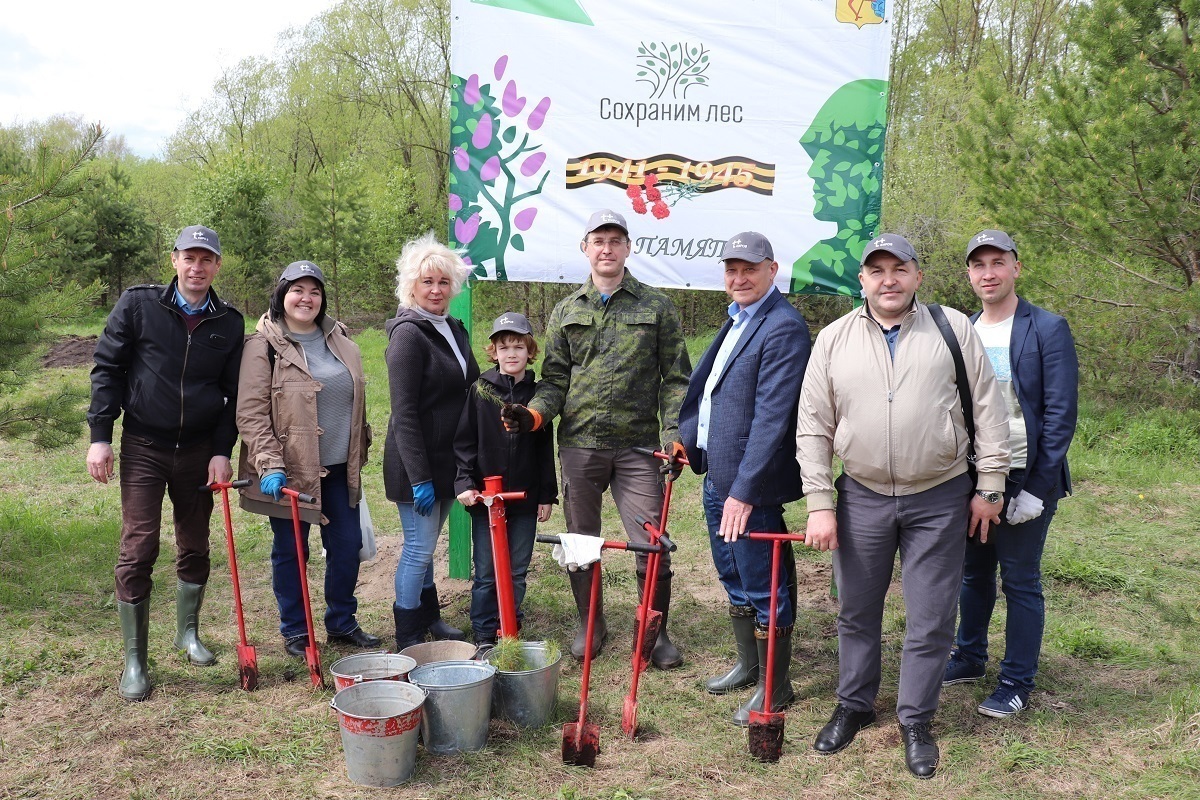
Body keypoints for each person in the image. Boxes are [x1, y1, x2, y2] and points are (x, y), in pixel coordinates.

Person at [795, 233, 1010, 778]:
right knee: (856, 611)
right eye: (877, 271)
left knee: (932, 617)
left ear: (916, 275)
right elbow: (813, 426)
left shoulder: (952, 328)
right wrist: (821, 501)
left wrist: (990, 486)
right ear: (862, 280)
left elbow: (988, 410)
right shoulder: (834, 339)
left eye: (899, 269)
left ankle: (916, 719)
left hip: (939, 495)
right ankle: (854, 705)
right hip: (860, 495)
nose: (888, 280)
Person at [501, 209, 692, 667]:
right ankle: (592, 622)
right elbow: (554, 380)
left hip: (639, 446)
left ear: (628, 248)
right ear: (585, 249)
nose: (607, 249)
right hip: (581, 444)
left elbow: (677, 379)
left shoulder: (657, 306)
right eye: (598, 241)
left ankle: (655, 630)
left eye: (616, 241)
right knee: (580, 542)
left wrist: (673, 433)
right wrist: (533, 416)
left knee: (652, 541)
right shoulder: (567, 311)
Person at [86, 225, 244, 701]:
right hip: (144, 446)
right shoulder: (138, 305)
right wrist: (100, 436)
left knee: (195, 545)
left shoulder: (230, 323)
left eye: (206, 260)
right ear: (174, 260)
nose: (197, 268)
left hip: (199, 450)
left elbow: (233, 395)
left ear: (217, 266)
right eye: (188, 258)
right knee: (138, 548)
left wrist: (222, 450)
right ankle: (135, 660)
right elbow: (107, 368)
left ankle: (187, 634)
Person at [943, 230, 1079, 717]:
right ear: (969, 274)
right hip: (974, 471)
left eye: (997, 262)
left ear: (1015, 268)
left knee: (1019, 579)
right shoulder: (962, 331)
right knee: (972, 573)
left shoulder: (1046, 328)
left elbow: (1060, 414)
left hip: (1025, 473)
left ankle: (1017, 681)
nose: (988, 272)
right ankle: (969, 655)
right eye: (978, 265)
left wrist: (1037, 491)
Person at [678, 232, 811, 726]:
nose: (739, 278)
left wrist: (744, 492)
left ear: (772, 270)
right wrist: (688, 442)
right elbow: (710, 391)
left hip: (747, 487)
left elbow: (772, 419)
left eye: (749, 269)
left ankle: (776, 686)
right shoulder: (737, 318)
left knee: (764, 582)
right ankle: (749, 665)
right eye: (731, 270)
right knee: (732, 575)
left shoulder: (783, 328)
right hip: (719, 474)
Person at [235, 261, 382, 657]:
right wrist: (269, 462)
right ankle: (297, 631)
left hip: (339, 467)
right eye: (297, 289)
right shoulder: (261, 345)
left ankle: (341, 622)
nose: (306, 298)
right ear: (282, 296)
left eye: (314, 290)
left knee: (347, 546)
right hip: (288, 472)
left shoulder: (340, 339)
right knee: (291, 551)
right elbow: (250, 411)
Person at [384, 233, 479, 650]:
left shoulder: (453, 328)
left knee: (425, 547)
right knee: (419, 549)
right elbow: (403, 412)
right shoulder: (408, 334)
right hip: (414, 463)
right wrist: (419, 476)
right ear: (412, 286)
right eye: (428, 282)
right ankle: (407, 635)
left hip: (447, 461)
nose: (436, 290)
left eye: (443, 282)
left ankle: (430, 617)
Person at [454, 311, 558, 646]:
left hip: (525, 500)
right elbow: (465, 442)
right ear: (493, 352)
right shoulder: (480, 391)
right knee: (486, 571)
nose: (511, 353)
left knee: (516, 569)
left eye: (518, 346)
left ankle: (509, 626)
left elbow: (545, 449)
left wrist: (546, 495)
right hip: (487, 498)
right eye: (504, 347)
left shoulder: (539, 396)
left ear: (530, 351)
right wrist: (465, 484)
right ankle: (484, 631)